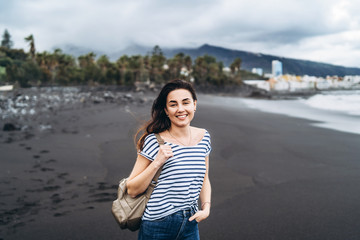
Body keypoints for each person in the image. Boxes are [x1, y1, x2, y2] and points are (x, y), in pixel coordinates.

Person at [126, 79, 212, 240]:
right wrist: (157, 161)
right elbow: (132, 189)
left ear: (194, 105)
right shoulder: (153, 141)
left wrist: (206, 207)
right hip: (158, 224)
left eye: (185, 103)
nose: (180, 109)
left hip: (191, 222)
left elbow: (204, 178)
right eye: (173, 104)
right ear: (166, 110)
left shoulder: (204, 137)